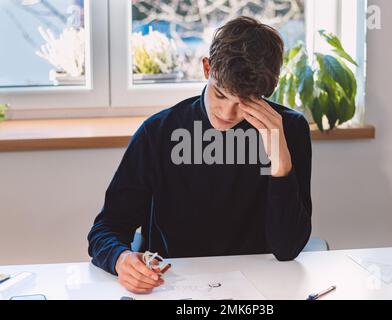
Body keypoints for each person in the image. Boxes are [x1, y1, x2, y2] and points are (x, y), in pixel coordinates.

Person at [88, 16, 312, 294]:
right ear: (207, 68)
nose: (227, 114)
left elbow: (287, 247)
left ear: (267, 92)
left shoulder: (289, 129)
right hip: (172, 286)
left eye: (245, 103)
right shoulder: (159, 132)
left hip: (258, 287)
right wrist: (121, 259)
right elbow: (106, 228)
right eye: (220, 95)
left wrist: (280, 161)